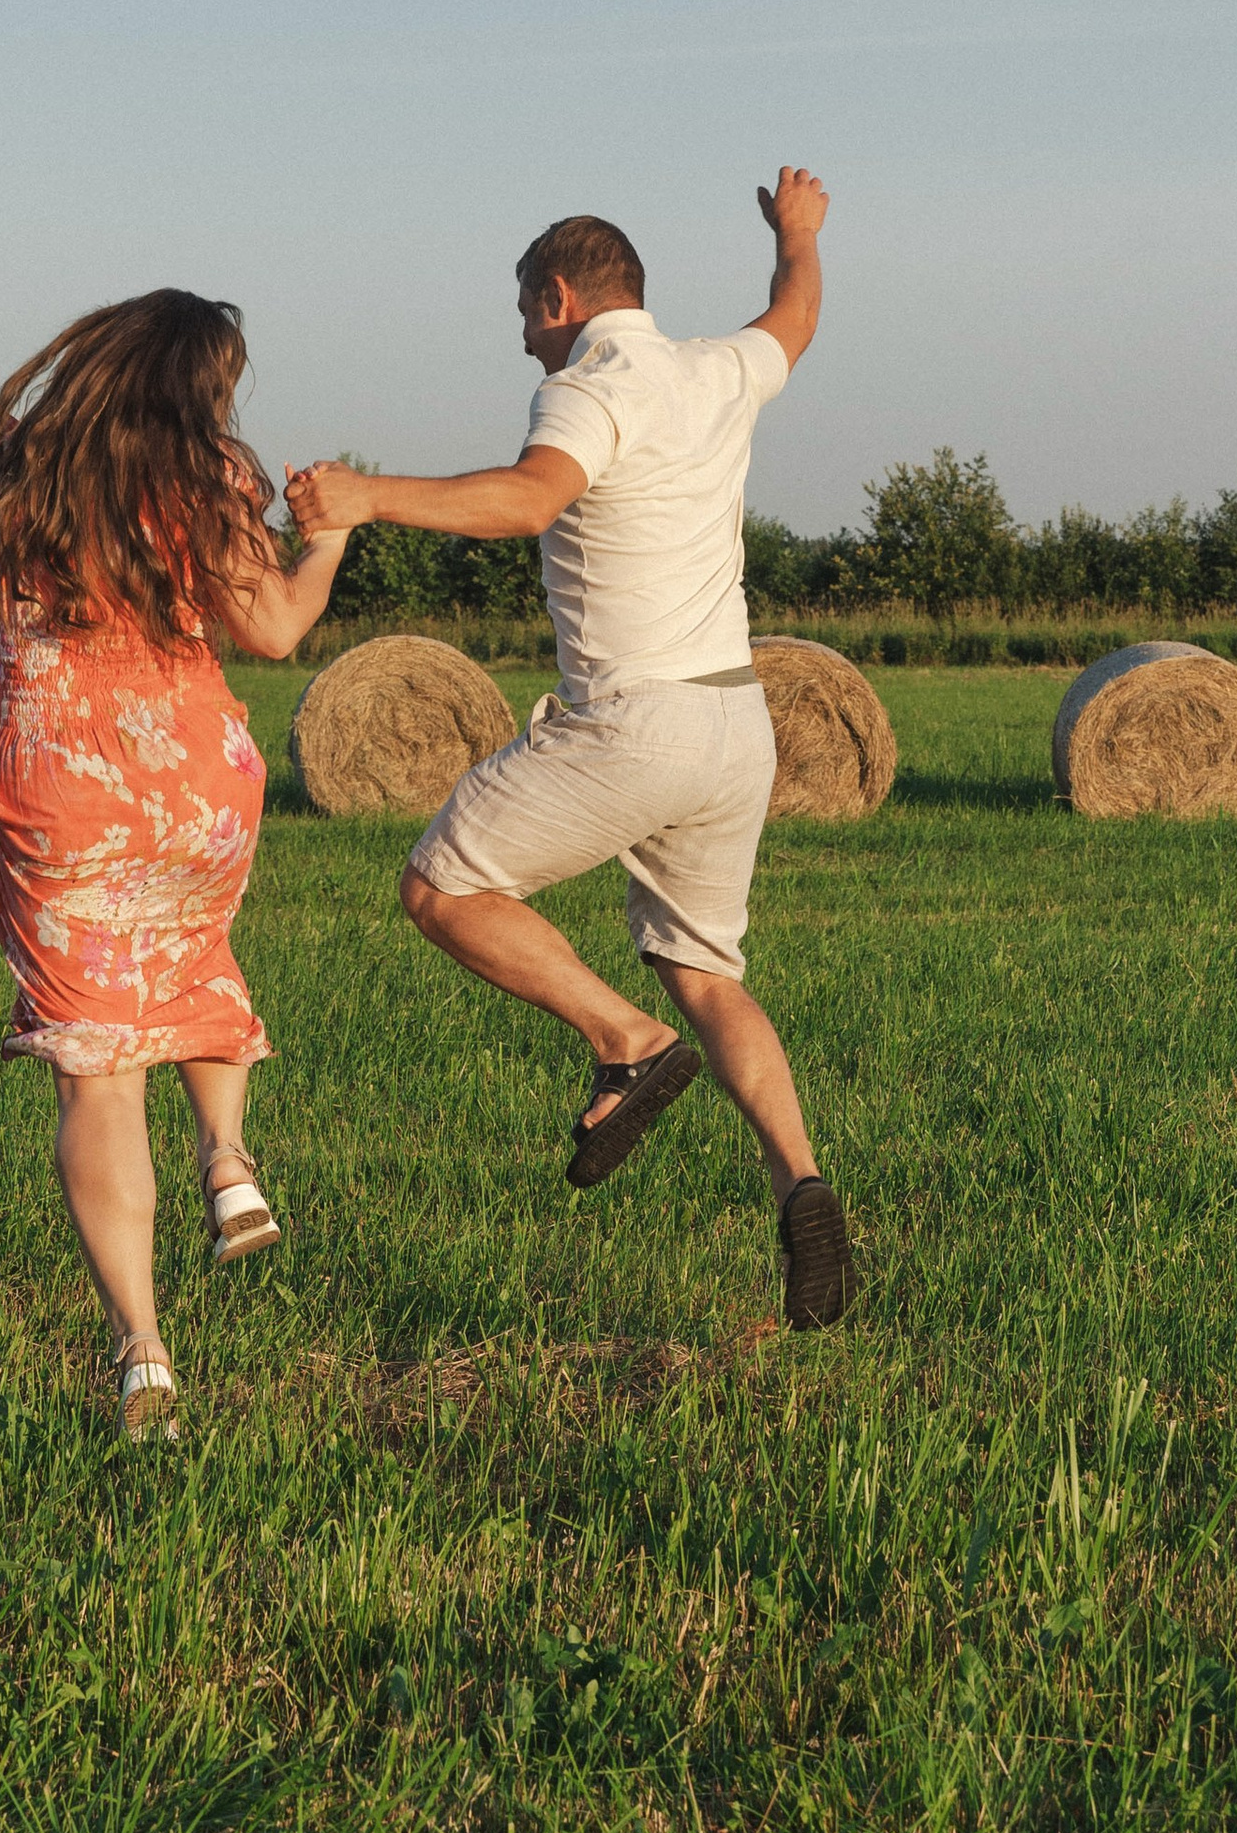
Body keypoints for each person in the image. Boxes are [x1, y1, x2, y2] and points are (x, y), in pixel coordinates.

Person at [288, 169, 851, 1330]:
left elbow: (531, 500)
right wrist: (796, 233)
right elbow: (794, 315)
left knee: (442, 888)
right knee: (708, 973)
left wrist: (364, 496)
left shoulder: (593, 383)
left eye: (521, 314)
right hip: (736, 721)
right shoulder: (713, 368)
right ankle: (801, 1178)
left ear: (558, 296)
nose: (523, 341)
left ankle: (624, 1044)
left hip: (630, 720)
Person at [0, 291, 350, 1437]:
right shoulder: (211, 473)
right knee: (193, 967)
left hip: (54, 785)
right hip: (196, 780)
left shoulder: (12, 465)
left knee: (96, 1066)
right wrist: (330, 544)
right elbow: (272, 631)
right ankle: (226, 1156)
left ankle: (141, 1349)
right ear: (199, 380)